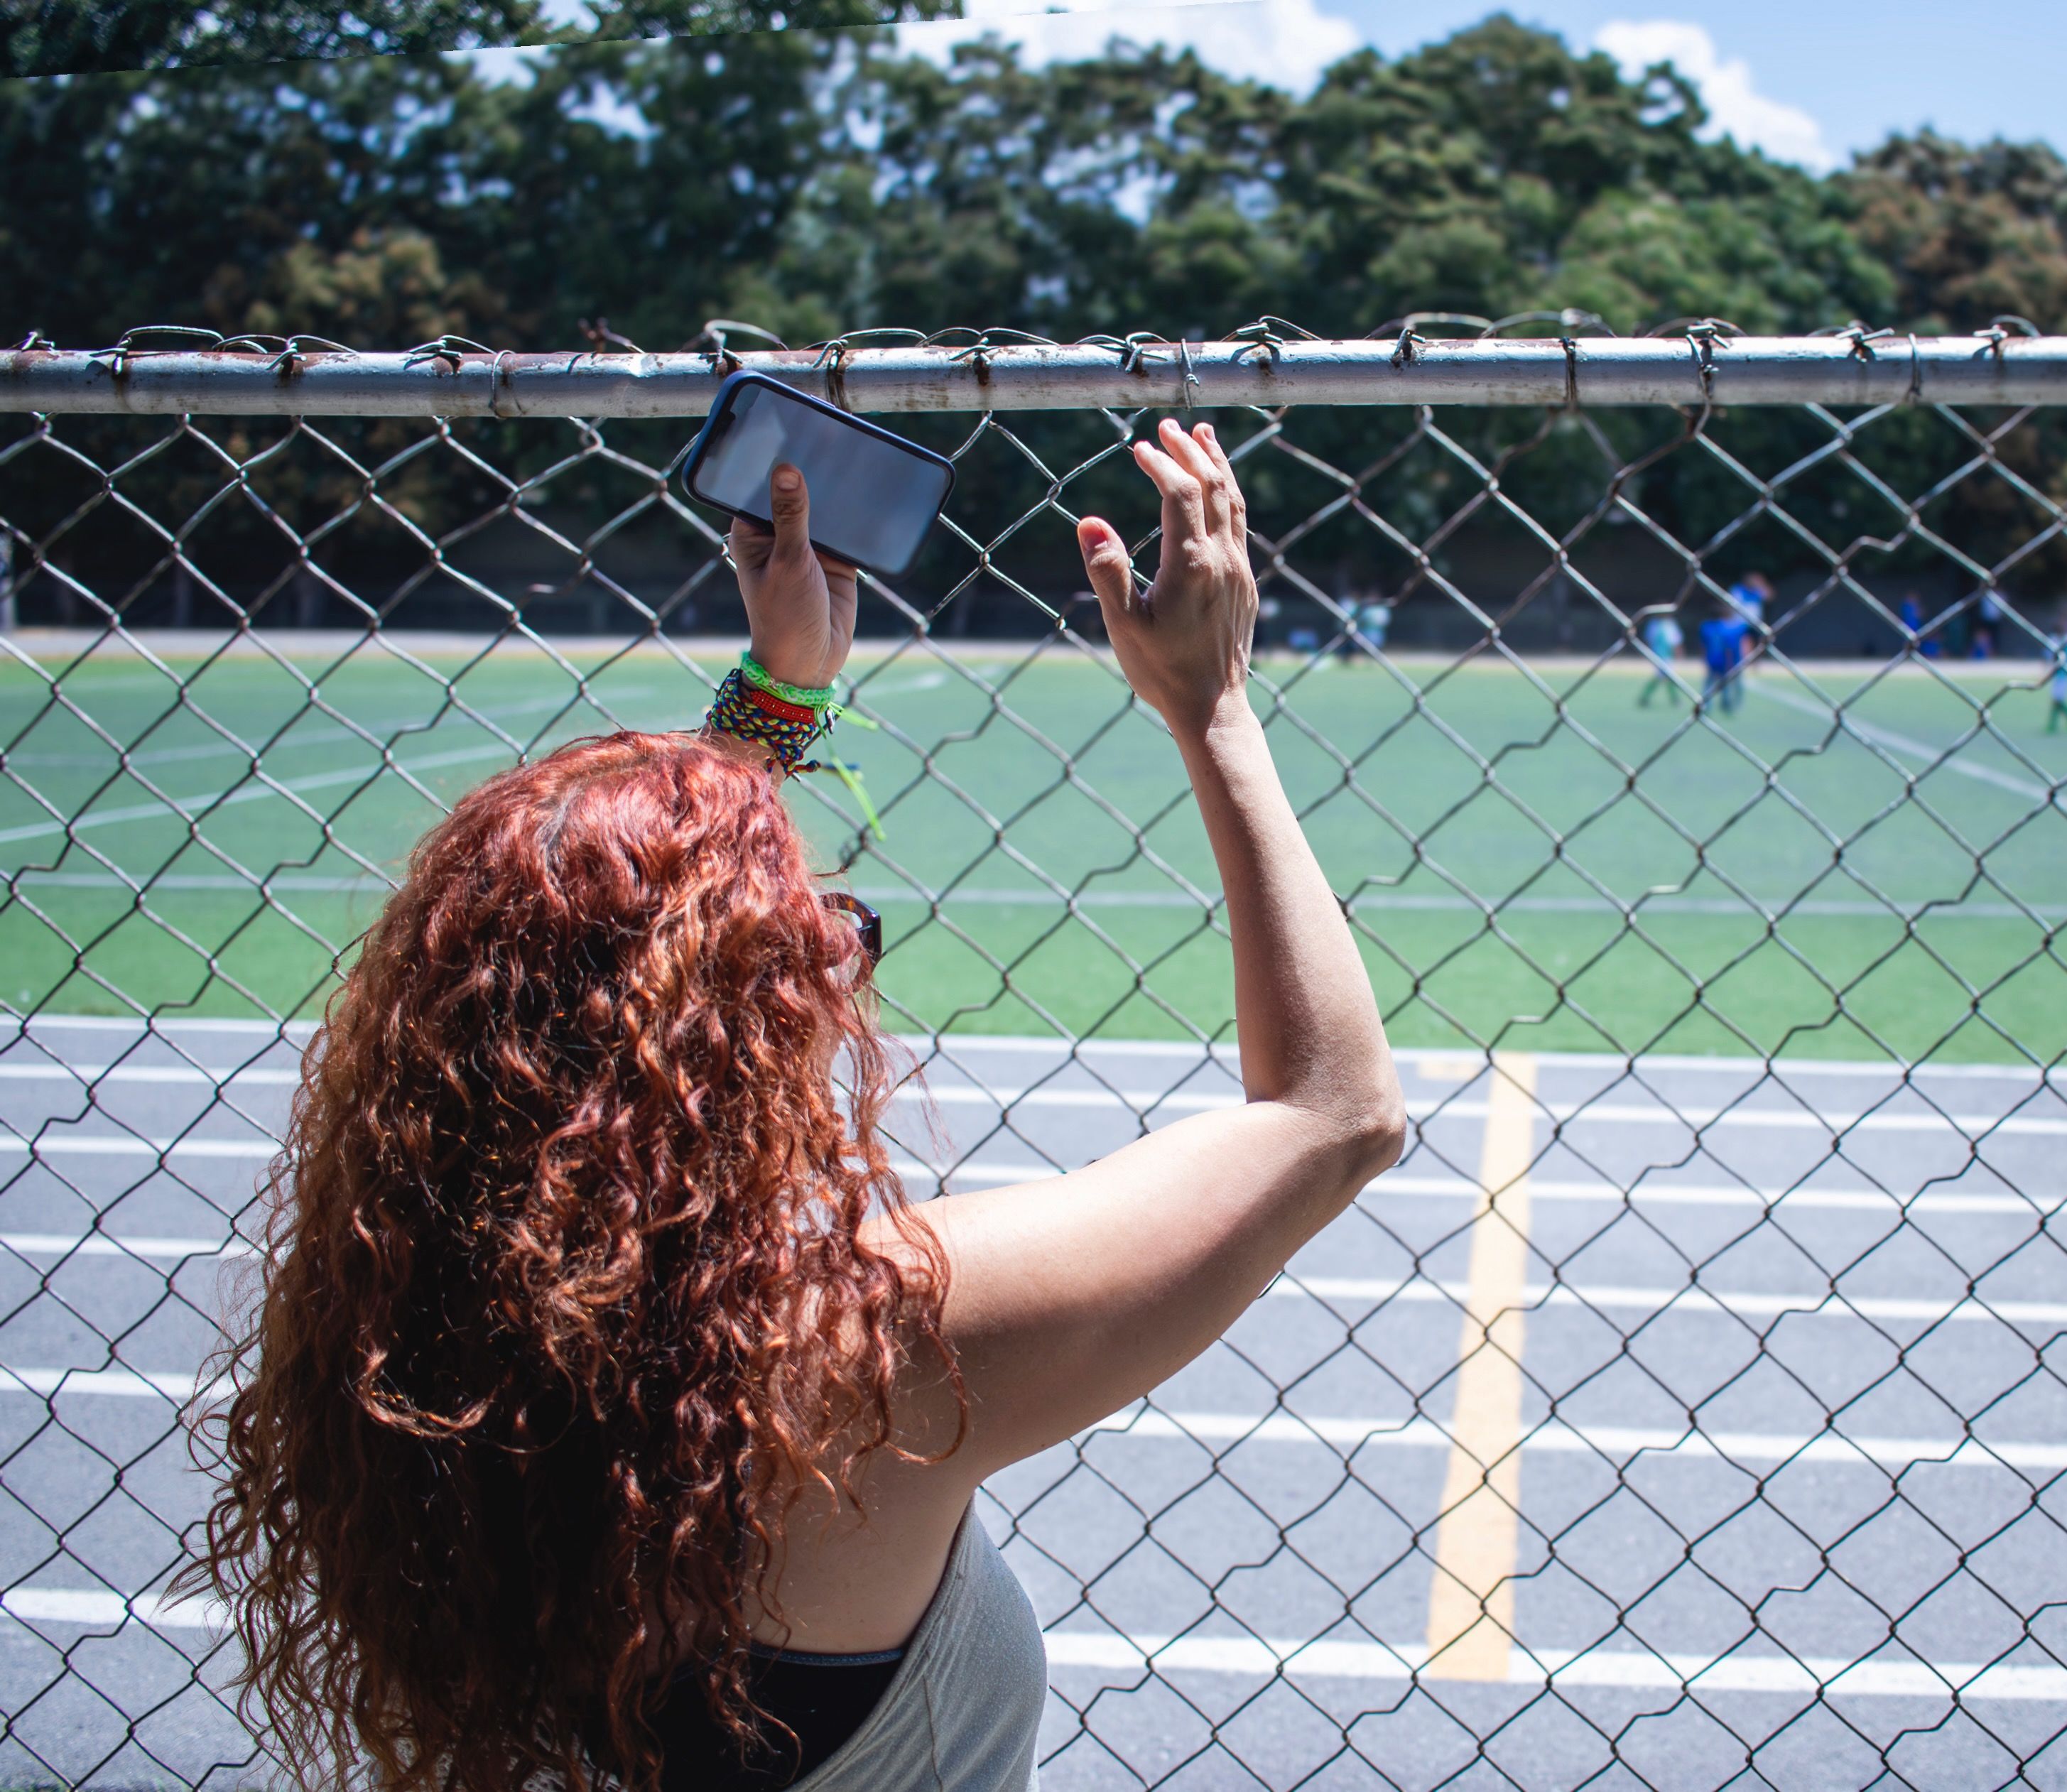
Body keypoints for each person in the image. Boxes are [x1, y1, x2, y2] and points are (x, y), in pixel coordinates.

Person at [192, 421, 1405, 1792]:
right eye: (811, 931)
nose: (840, 943)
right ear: (726, 1034)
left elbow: (601, 975)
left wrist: (777, 698)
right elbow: (1334, 1111)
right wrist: (1214, 707)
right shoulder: (864, 1348)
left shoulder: (410, 1347)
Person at [1699, 607, 1749, 712]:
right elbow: (1728, 648)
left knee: (1709, 684)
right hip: (1726, 660)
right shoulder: (1728, 628)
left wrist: (1704, 658)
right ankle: (1727, 704)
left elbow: (1703, 645)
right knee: (1727, 683)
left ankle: (1707, 706)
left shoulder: (1705, 627)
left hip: (1712, 659)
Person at [1638, 612, 1686, 705]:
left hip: (1668, 655)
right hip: (1657, 655)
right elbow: (1649, 639)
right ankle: (1674, 699)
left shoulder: (1671, 624)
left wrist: (1678, 652)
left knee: (1666, 677)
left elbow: (1676, 640)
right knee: (1665, 677)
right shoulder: (1654, 624)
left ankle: (1645, 698)